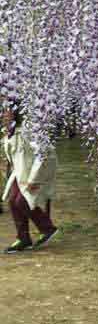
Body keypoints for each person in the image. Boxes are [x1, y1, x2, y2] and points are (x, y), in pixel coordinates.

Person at [2, 103, 60, 253]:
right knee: (13, 202)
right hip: (19, 172)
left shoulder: (28, 130)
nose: (4, 115)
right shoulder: (9, 132)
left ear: (15, 113)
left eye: (7, 112)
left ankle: (47, 228)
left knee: (22, 201)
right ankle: (23, 238)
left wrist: (34, 179)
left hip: (34, 172)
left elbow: (45, 154)